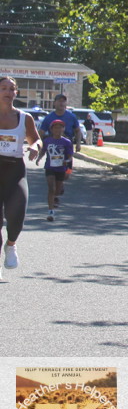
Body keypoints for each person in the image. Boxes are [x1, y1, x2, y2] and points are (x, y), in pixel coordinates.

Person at [0, 76, 41, 275]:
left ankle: (11, 244)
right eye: (3, 88)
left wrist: (34, 147)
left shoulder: (25, 118)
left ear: (16, 93)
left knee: (17, 214)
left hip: (15, 171)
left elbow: (37, 140)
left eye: (11, 89)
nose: (8, 92)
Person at [35, 118, 74, 221]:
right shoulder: (47, 141)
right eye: (55, 128)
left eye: (60, 128)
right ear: (51, 130)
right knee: (51, 188)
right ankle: (51, 211)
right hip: (50, 167)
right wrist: (39, 158)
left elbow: (70, 156)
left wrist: (67, 164)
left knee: (57, 190)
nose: (58, 130)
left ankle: (57, 193)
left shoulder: (66, 142)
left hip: (61, 168)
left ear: (63, 129)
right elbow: (43, 151)